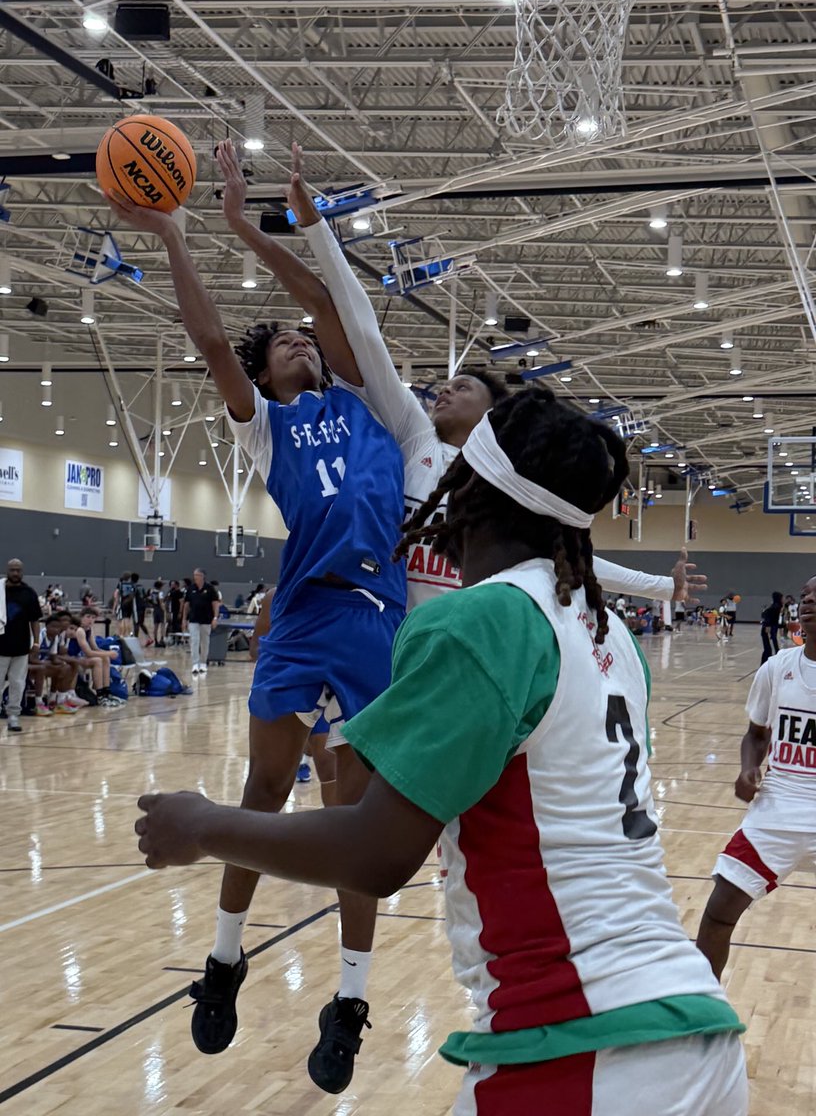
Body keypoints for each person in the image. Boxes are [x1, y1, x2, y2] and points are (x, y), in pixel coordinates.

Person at [135, 388, 748, 1116]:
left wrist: (201, 825)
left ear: (468, 494)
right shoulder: (605, 629)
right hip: (691, 1023)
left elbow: (375, 854)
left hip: (582, 1043)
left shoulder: (484, 619)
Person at [110, 159, 406, 1093]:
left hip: (377, 623)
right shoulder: (267, 430)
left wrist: (255, 232)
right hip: (307, 614)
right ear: (264, 370)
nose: (299, 345)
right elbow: (207, 342)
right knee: (263, 794)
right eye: (281, 344)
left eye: (304, 342)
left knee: (352, 816)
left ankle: (350, 1000)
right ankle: (225, 960)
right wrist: (172, 236)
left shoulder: (368, 405)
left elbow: (328, 302)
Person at [241, 141, 705, 616]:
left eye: (463, 387)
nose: (445, 389)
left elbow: (569, 557)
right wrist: (316, 226)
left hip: (448, 650)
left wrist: (661, 587)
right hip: (380, 636)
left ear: (493, 413)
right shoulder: (409, 433)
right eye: (447, 384)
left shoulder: (503, 485)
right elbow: (360, 326)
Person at [697, 574, 816, 981]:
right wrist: (748, 767)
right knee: (718, 911)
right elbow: (757, 734)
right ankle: (701, 1013)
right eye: (805, 596)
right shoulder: (778, 667)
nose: (809, 601)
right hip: (779, 806)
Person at [249, 589, 336, 808]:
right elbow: (255, 649)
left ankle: (337, 836)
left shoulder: (347, 597)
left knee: (329, 766)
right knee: (266, 783)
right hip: (287, 687)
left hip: (330, 688)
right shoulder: (275, 596)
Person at [0, 559, 41, 732]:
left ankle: (13, 715)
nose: (15, 573)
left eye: (18, 570)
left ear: (22, 571)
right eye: (12, 570)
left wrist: (36, 643)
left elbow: (35, 621)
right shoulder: (0, 591)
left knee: (18, 682)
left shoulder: (29, 593)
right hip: (0, 646)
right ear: (7, 571)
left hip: (21, 646)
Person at [67, 610, 125, 708]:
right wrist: (109, 653)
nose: (91, 620)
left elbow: (95, 648)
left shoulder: (89, 629)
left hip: (78, 657)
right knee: (97, 660)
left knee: (105, 658)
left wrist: (107, 654)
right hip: (71, 658)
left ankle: (106, 692)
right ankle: (100, 694)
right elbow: (88, 652)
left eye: (93, 618)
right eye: (88, 616)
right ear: (81, 617)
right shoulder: (80, 630)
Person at [31, 616, 83, 715]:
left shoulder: (55, 638)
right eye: (52, 627)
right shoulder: (39, 636)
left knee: (65, 668)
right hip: (29, 666)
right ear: (46, 626)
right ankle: (38, 703)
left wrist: (63, 663)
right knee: (42, 668)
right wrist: (44, 663)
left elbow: (53, 657)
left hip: (42, 665)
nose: (55, 629)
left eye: (57, 627)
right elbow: (30, 658)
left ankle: (58, 701)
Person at [182, 570, 220, 676]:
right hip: (193, 619)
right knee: (194, 641)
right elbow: (186, 605)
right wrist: (184, 619)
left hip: (206, 619)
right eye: (194, 575)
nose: (195, 577)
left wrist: (215, 618)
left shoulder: (210, 589)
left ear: (203, 576)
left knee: (204, 642)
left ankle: (203, 663)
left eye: (198, 575)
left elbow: (215, 604)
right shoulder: (191, 589)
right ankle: (195, 663)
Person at [760, 591, 783, 663]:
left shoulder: (776, 606)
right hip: (769, 629)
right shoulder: (775, 607)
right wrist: (767, 625)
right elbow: (766, 616)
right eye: (782, 598)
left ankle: (765, 663)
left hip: (772, 628)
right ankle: (765, 664)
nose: (783, 599)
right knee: (769, 649)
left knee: (770, 648)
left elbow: (765, 615)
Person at [149, 580, 166, 648]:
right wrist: (164, 610)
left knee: (155, 626)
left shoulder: (152, 592)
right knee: (162, 625)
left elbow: (150, 599)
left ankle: (156, 640)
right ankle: (162, 640)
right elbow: (161, 602)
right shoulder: (160, 593)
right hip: (160, 609)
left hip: (155, 609)